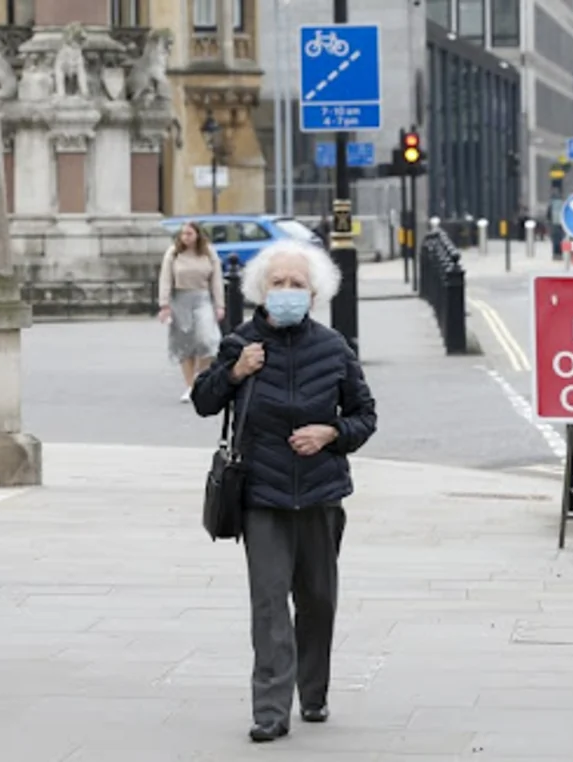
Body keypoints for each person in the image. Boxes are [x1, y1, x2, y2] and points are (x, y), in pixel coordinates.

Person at [190, 238, 377, 743]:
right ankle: (271, 710)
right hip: (262, 495)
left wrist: (331, 434)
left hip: (321, 493)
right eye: (279, 283)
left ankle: (313, 695)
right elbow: (204, 403)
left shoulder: (334, 348)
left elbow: (365, 416)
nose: (288, 291)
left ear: (314, 294)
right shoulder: (241, 343)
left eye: (298, 284)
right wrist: (234, 371)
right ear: (261, 290)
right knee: (270, 602)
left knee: (317, 600)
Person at [157, 221, 225, 402]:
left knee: (208, 340)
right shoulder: (173, 253)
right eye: (183, 234)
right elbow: (165, 279)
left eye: (189, 234)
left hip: (202, 298)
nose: (185, 237)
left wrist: (220, 305)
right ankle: (190, 386)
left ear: (197, 235)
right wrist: (164, 305)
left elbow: (216, 280)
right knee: (185, 345)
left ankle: (199, 376)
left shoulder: (209, 253)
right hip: (180, 299)